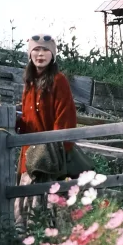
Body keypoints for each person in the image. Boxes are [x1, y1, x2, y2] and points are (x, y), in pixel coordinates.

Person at [16, 33, 78, 183]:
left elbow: (65, 120)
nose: (40, 54)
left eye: (45, 50)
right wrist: (13, 121)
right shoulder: (29, 83)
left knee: (47, 196)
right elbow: (27, 121)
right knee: (25, 195)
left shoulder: (59, 81)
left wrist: (50, 151)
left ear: (53, 55)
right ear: (30, 54)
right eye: (36, 49)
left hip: (50, 158)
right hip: (28, 155)